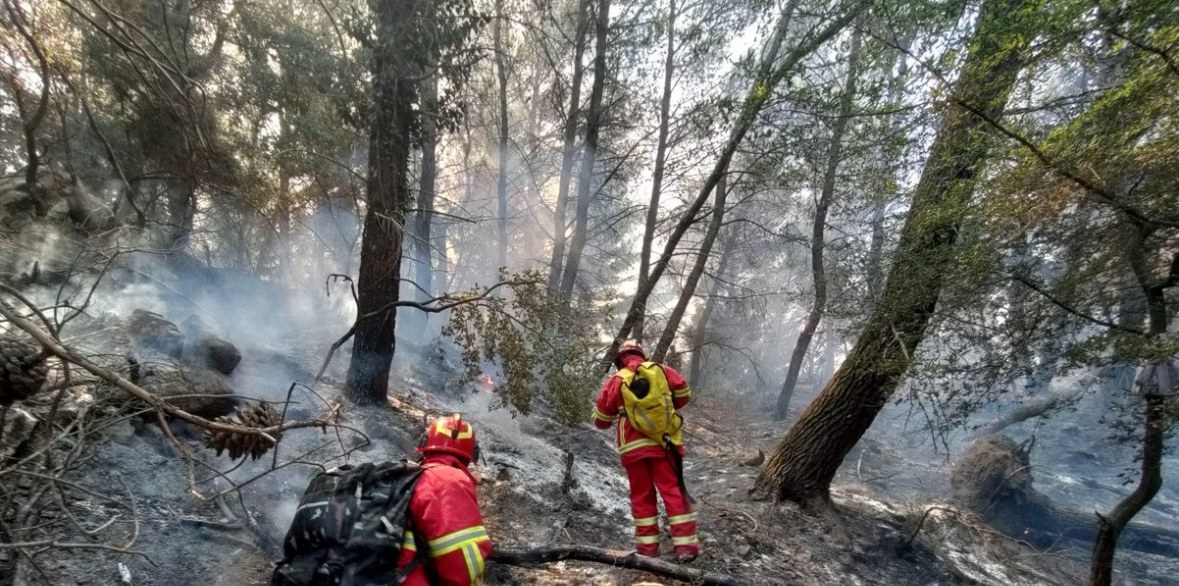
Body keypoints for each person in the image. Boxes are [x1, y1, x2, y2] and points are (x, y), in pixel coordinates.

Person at [592, 340, 699, 560]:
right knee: (673, 491)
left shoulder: (616, 380)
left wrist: (619, 411)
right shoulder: (661, 371)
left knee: (642, 497)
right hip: (665, 443)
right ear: (641, 355)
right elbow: (684, 393)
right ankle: (686, 548)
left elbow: (601, 420)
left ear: (619, 361)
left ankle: (648, 552)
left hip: (633, 448)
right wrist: (662, 407)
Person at [397, 414, 493, 586]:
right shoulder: (451, 482)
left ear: (424, 444)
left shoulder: (408, 474)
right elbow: (463, 568)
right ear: (472, 454)